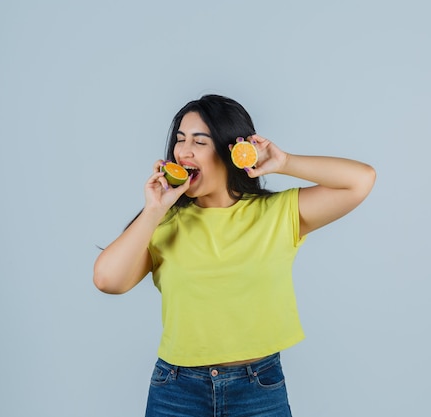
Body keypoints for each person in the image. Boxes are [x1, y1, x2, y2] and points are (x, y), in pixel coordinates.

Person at [93, 94, 376, 416]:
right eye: (180, 140)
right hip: (176, 389)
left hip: (257, 388)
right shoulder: (162, 223)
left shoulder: (277, 213)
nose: (183, 151)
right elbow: (107, 281)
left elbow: (360, 180)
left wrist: (285, 162)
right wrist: (154, 209)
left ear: (229, 151)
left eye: (199, 142)